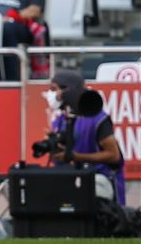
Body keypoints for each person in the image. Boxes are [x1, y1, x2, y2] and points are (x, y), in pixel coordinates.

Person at [45, 70, 126, 205]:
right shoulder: (61, 119)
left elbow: (114, 156)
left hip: (100, 179)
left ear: (68, 91)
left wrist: (77, 157)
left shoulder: (97, 118)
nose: (50, 94)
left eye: (53, 89)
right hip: (72, 177)